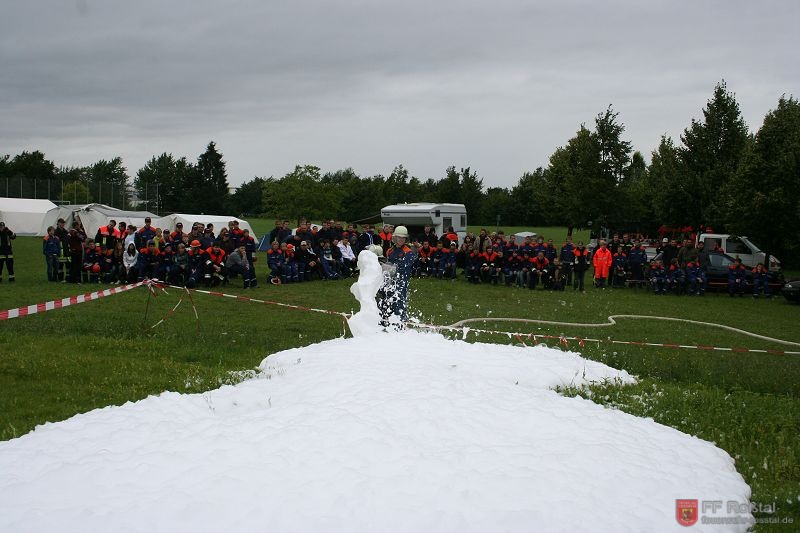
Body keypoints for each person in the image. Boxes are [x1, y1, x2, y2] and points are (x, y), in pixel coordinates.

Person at [380, 226, 417, 327]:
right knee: (386, 302)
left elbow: (404, 267)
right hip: (388, 282)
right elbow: (387, 264)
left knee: (399, 303)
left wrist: (392, 268)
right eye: (399, 237)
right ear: (395, 238)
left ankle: (400, 324)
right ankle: (386, 323)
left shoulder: (408, 252)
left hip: (401, 282)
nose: (400, 239)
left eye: (403, 238)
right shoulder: (390, 251)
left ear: (406, 239)